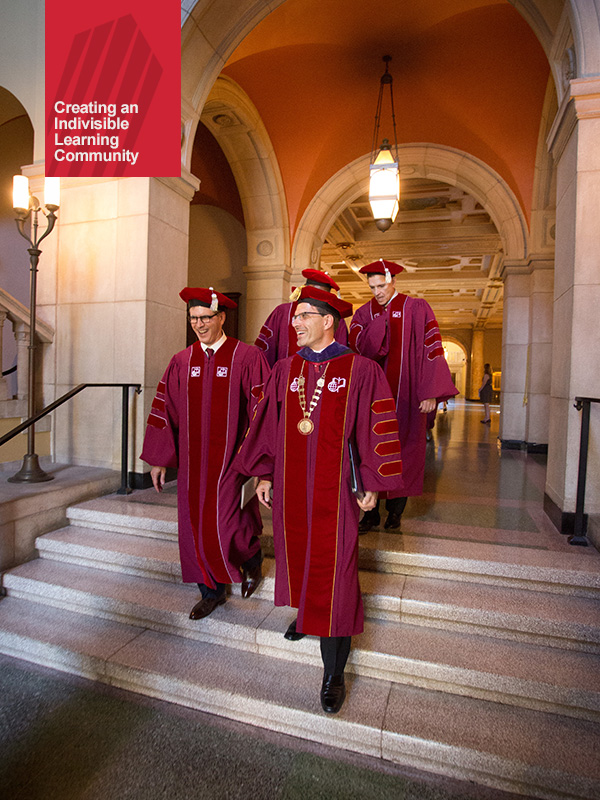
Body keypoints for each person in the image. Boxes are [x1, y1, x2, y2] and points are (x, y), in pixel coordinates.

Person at [236, 285, 403, 715]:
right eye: (295, 316)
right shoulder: (286, 368)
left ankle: (333, 672)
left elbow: (376, 428)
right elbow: (268, 424)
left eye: (304, 315)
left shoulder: (361, 369)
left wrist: (372, 481)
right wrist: (262, 474)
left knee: (339, 574)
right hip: (292, 490)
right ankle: (309, 617)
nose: (295, 323)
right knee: (303, 559)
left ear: (328, 320)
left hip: (338, 491)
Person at [140, 287, 270, 621]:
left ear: (221, 317)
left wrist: (261, 464)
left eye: (206, 318)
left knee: (230, 524)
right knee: (194, 526)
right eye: (193, 318)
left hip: (232, 461)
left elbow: (263, 412)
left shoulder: (247, 357)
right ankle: (210, 592)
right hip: (192, 465)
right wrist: (158, 458)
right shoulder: (182, 361)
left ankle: (251, 555)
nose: (199, 324)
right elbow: (164, 410)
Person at [349, 259, 458, 532]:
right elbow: (358, 348)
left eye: (382, 285)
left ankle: (395, 513)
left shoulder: (417, 308)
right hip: (371, 398)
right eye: (373, 287)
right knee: (370, 451)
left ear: (393, 280)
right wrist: (380, 324)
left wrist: (430, 392)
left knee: (405, 451)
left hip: (409, 396)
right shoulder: (364, 314)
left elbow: (432, 348)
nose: (378, 292)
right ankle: (370, 513)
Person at [254, 268, 348, 366]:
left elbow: (340, 353)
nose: (316, 300)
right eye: (314, 293)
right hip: (287, 374)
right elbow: (267, 348)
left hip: (322, 375)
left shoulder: (335, 318)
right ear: (304, 289)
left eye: (321, 296)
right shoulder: (282, 312)